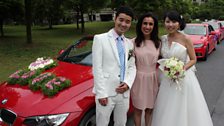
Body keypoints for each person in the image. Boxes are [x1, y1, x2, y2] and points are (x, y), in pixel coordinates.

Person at [151, 10, 213, 126]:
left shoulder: (186, 39)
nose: (170, 25)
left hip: (183, 78)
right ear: (164, 22)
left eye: (174, 22)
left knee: (184, 107)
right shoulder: (162, 39)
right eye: (168, 21)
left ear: (179, 23)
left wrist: (181, 69)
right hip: (167, 79)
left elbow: (194, 59)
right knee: (166, 107)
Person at [92, 6, 136, 126]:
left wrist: (127, 83)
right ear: (115, 19)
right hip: (106, 92)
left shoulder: (129, 44)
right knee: (102, 123)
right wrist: (101, 93)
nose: (123, 24)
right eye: (121, 20)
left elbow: (132, 67)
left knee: (121, 123)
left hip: (123, 93)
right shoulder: (100, 39)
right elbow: (97, 68)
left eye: (127, 22)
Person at [130, 12, 160, 126]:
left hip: (153, 79)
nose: (147, 27)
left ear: (154, 26)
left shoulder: (159, 43)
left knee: (149, 110)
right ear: (140, 25)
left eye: (151, 24)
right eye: (145, 23)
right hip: (138, 79)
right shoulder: (133, 42)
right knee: (138, 110)